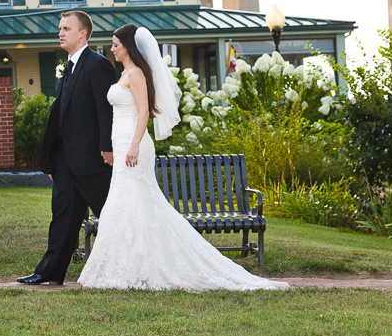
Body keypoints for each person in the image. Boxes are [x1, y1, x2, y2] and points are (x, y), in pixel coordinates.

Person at [77, 23, 289, 292]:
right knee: (125, 203)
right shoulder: (125, 73)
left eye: (116, 45)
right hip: (121, 144)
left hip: (134, 144)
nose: (112, 49)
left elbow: (144, 112)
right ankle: (129, 264)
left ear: (128, 47)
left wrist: (133, 144)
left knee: (135, 201)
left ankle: (146, 265)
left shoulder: (137, 74)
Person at [17, 11, 115, 285]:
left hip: (92, 160)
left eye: (66, 28)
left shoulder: (97, 65)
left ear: (82, 33)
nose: (60, 33)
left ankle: (130, 264)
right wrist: (52, 160)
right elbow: (61, 114)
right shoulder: (67, 67)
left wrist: (107, 148)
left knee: (111, 214)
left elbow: (105, 111)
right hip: (64, 161)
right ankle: (49, 272)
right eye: (60, 28)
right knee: (62, 218)